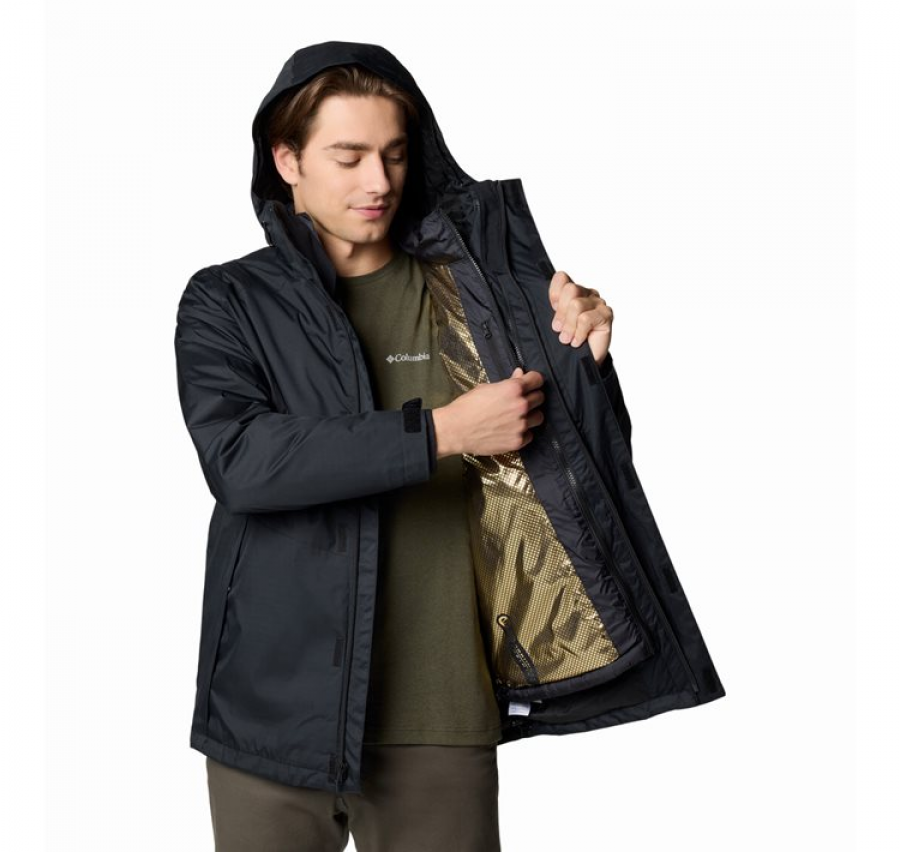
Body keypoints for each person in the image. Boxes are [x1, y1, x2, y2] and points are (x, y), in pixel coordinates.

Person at [174, 40, 725, 852]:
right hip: (271, 710)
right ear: (287, 160)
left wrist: (587, 361)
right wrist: (443, 432)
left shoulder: (479, 291)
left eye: (395, 154)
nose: (378, 181)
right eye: (349, 157)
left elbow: (582, 469)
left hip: (440, 710)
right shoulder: (226, 300)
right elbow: (244, 462)